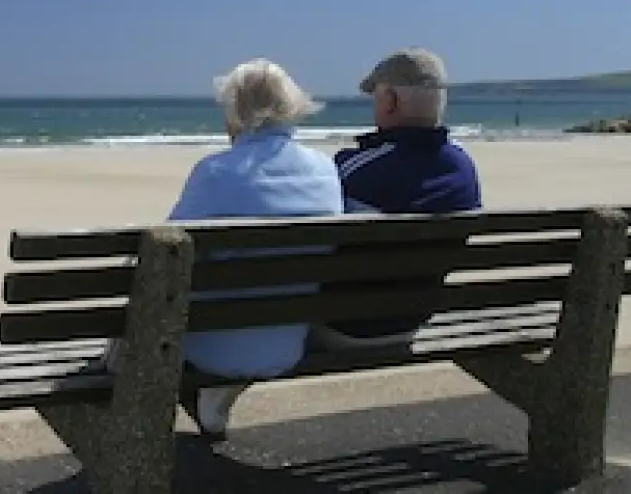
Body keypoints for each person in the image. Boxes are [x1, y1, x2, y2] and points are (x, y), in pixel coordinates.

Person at [157, 58, 343, 440]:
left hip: (210, 346)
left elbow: (165, 256)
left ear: (235, 109)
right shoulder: (325, 171)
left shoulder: (216, 172)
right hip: (286, 343)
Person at [308, 47, 483, 350]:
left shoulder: (359, 169)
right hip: (410, 323)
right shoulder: (463, 169)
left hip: (343, 327)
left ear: (391, 101)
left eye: (376, 96)